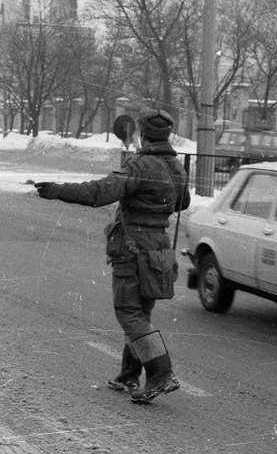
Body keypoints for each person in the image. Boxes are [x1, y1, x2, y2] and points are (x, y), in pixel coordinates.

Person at [34, 108, 190, 404]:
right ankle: (129, 374)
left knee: (128, 312)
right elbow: (183, 202)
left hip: (133, 246)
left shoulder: (140, 165)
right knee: (140, 311)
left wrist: (58, 190)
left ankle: (161, 373)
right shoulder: (176, 167)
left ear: (142, 134)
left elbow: (99, 192)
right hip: (159, 247)